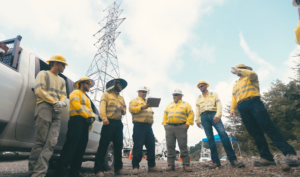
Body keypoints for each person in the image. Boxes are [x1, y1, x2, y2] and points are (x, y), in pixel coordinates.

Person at [230, 64, 299, 167]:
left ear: (245, 69)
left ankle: (290, 154)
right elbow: (234, 98)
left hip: (254, 102)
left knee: (268, 127)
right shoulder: (235, 84)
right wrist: (232, 109)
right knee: (255, 133)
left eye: (240, 68)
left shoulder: (251, 76)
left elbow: (252, 73)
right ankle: (267, 158)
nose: (238, 70)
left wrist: (238, 70)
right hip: (242, 107)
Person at [28, 54, 68, 177]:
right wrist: (54, 101)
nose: (64, 67)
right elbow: (39, 90)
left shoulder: (62, 80)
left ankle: (39, 173)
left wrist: (61, 102)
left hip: (56, 111)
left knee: (51, 143)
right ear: (55, 63)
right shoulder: (43, 74)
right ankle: (34, 172)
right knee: (41, 141)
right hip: (44, 107)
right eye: (62, 64)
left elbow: (63, 95)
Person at [195, 80, 245, 169]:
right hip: (204, 117)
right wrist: (197, 120)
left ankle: (233, 160)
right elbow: (197, 109)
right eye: (199, 87)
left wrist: (218, 115)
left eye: (202, 86)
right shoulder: (198, 98)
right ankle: (216, 162)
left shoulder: (214, 94)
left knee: (223, 134)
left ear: (206, 85)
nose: (200, 87)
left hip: (214, 115)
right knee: (210, 139)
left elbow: (219, 105)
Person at [56, 77, 97, 177]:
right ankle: (62, 172)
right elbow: (76, 105)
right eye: (88, 83)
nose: (89, 86)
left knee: (81, 148)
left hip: (85, 123)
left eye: (90, 85)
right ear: (81, 83)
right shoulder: (75, 93)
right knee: (71, 146)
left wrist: (92, 118)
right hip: (76, 120)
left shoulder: (87, 98)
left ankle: (74, 172)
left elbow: (90, 110)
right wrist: (87, 116)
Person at [94, 78, 129, 177]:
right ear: (114, 84)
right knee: (103, 145)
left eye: (122, 84)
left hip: (118, 123)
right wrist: (104, 118)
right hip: (108, 122)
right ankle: (98, 169)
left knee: (118, 146)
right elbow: (102, 106)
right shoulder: (106, 94)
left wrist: (122, 110)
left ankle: (118, 168)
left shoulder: (121, 98)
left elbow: (125, 111)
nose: (121, 85)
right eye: (120, 84)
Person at [129, 86, 163, 175]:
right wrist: (142, 107)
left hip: (148, 126)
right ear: (138, 92)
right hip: (139, 125)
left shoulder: (148, 103)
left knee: (151, 145)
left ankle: (151, 166)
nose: (144, 93)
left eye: (145, 92)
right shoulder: (135, 100)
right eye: (142, 91)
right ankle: (135, 166)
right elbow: (131, 109)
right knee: (138, 146)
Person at [162, 89, 194, 172]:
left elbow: (191, 114)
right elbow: (165, 114)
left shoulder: (186, 104)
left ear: (180, 96)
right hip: (169, 127)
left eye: (176, 95)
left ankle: (186, 164)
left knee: (183, 146)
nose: (174, 96)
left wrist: (187, 124)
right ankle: (170, 165)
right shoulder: (169, 105)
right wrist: (165, 124)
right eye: (173, 95)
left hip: (181, 127)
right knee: (170, 146)